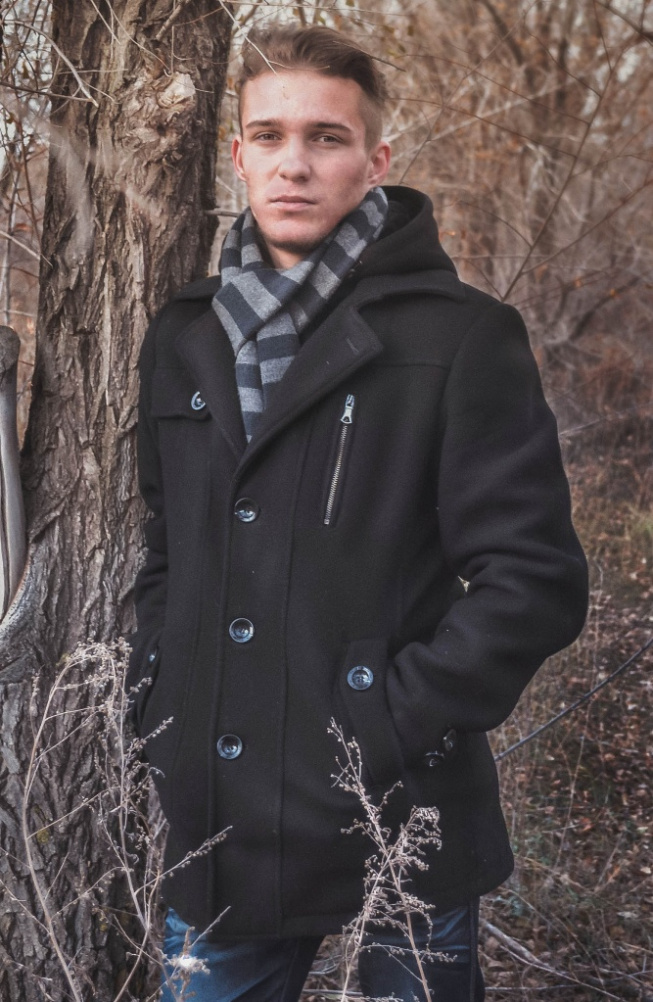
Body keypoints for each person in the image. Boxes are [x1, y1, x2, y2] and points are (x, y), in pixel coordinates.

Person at [127, 22, 588, 1002]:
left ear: (374, 161)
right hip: (222, 825)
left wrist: (385, 717)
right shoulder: (182, 337)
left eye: (325, 138)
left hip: (399, 812)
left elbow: (532, 579)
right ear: (238, 154)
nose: (292, 164)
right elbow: (169, 549)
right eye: (268, 135)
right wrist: (159, 692)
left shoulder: (459, 338)